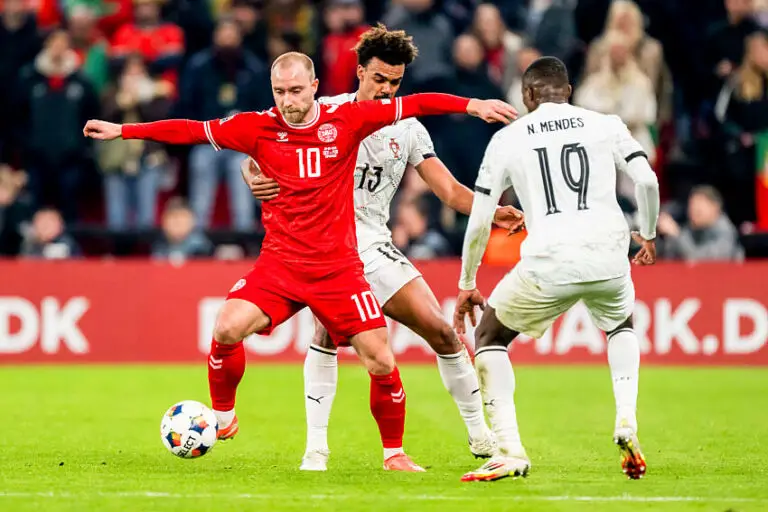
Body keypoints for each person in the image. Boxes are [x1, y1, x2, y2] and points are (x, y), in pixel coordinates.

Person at [83, 51, 517, 472]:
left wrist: (472, 106)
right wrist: (125, 131)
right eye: (280, 92)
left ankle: (407, 450)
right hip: (284, 263)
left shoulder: (354, 120)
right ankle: (244, 422)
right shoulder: (269, 123)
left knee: (392, 355)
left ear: (313, 87)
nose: (288, 101)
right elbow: (194, 131)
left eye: (295, 91)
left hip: (345, 261)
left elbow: (422, 109)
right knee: (235, 328)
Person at [246, 26, 524, 471]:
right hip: (324, 246)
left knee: (444, 332)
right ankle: (316, 449)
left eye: (395, 82)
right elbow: (259, 143)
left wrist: (491, 211)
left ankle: (481, 437)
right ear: (360, 72)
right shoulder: (324, 111)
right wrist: (252, 174)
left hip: (376, 246)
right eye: (378, 79)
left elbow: (449, 191)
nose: (387, 89)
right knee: (324, 336)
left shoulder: (408, 129)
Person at [453, 56, 659, 482]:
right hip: (609, 255)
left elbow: (480, 220)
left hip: (550, 260)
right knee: (620, 324)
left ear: (527, 95)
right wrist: (649, 232)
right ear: (569, 91)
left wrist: (468, 281)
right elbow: (647, 181)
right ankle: (626, 420)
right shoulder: (605, 124)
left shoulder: (508, 139)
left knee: (490, 336)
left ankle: (509, 449)